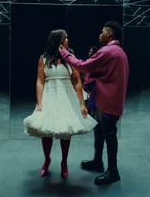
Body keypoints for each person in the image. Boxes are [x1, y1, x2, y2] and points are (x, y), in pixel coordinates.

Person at [59, 21, 129, 185]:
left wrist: (64, 53)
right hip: (109, 99)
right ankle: (98, 162)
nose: (100, 34)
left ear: (110, 34)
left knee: (109, 135)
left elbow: (82, 66)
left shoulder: (108, 51)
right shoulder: (118, 51)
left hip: (107, 100)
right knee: (99, 131)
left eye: (102, 32)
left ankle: (113, 171)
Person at [24, 29, 97, 179]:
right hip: (50, 96)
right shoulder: (43, 58)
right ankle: (47, 159)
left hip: (66, 96)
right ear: (57, 40)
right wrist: (39, 102)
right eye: (65, 38)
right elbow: (40, 81)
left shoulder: (70, 57)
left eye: (68, 38)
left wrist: (81, 103)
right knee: (46, 128)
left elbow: (77, 81)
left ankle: (64, 162)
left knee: (66, 130)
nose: (67, 41)